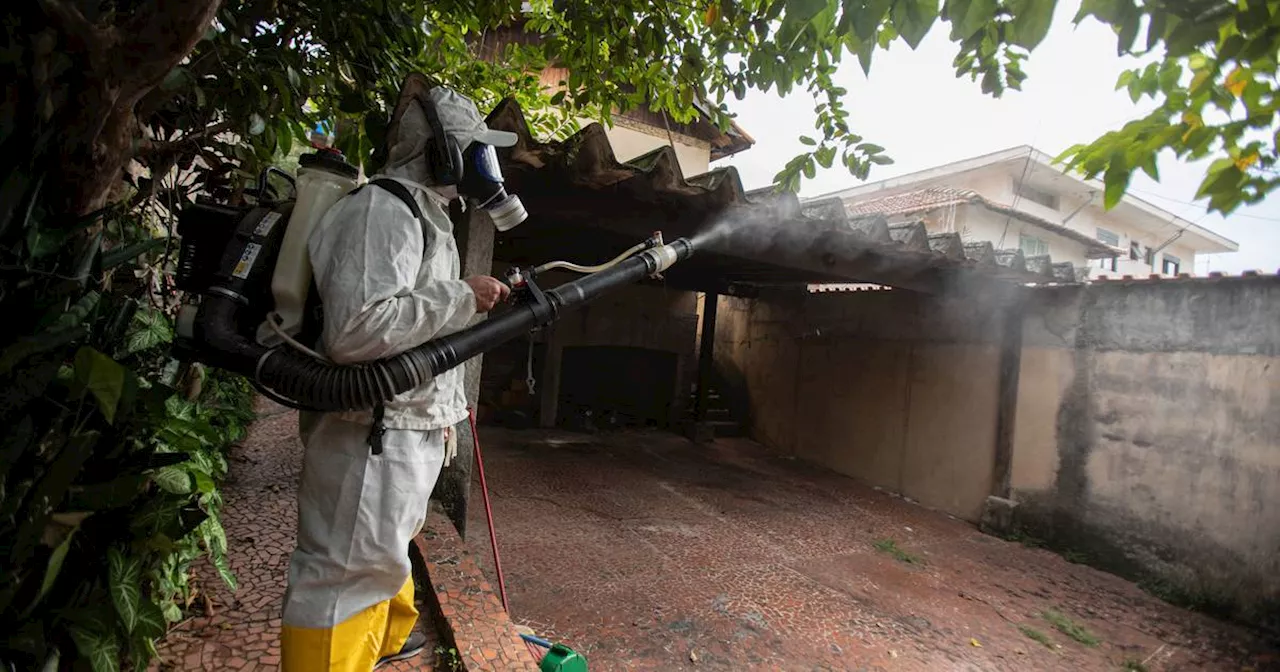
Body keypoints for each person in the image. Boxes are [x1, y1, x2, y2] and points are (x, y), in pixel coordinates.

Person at [279, 74, 515, 671]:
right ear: (442, 150)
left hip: (401, 431)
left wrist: (446, 418)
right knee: (342, 580)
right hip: (370, 435)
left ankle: (378, 651)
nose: (481, 164)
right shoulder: (381, 210)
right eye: (474, 148)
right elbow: (358, 330)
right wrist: (462, 297)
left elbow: (418, 328)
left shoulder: (422, 214)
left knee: (378, 562)